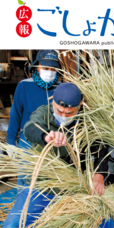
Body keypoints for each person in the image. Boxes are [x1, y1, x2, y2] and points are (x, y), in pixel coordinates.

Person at [0, 83, 114, 228]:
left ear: (79, 105)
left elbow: (100, 149)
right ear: (53, 102)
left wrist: (99, 175)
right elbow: (30, 127)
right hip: (45, 181)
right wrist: (47, 136)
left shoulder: (90, 120)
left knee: (103, 214)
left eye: (69, 113)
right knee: (13, 226)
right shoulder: (44, 112)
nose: (63, 116)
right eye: (59, 110)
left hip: (77, 181)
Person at [7, 49, 61, 189]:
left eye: (53, 69)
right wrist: (11, 142)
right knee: (26, 184)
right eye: (45, 68)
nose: (49, 72)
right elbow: (15, 116)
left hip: (52, 142)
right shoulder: (24, 86)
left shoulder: (60, 89)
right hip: (28, 142)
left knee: (50, 185)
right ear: (37, 66)